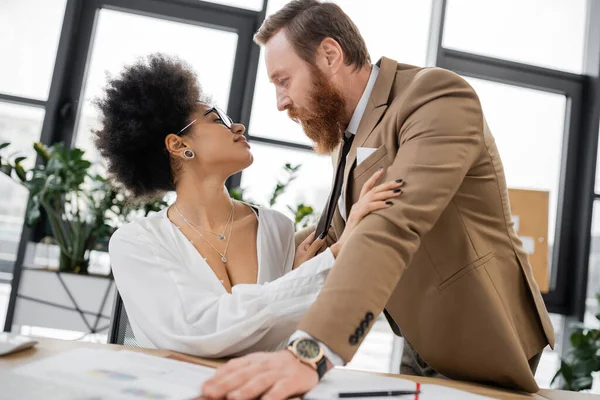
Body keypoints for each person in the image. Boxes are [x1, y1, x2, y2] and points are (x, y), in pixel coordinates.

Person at [201, 1, 555, 398]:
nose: (281, 102)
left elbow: (391, 223)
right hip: (422, 332)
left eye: (284, 80)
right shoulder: (347, 134)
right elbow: (336, 232)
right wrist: (227, 244)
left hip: (479, 326)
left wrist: (311, 351)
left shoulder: (436, 97)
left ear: (330, 55)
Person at [94, 53, 403, 358]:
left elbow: (282, 340)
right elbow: (200, 331)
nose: (238, 127)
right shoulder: (136, 243)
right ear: (179, 145)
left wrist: (303, 273)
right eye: (217, 120)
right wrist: (331, 258)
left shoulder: (277, 228)